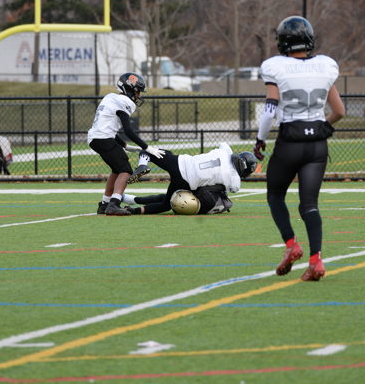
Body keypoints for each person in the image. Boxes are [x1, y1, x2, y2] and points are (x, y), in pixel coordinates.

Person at [253, 15, 345, 281]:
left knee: (275, 195)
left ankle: (292, 244)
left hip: (290, 142)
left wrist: (260, 139)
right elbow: (339, 111)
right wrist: (322, 127)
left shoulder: (276, 66)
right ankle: (316, 261)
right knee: (309, 205)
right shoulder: (324, 66)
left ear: (283, 41)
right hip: (317, 145)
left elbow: (270, 110)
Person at [87, 72, 165, 216]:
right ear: (129, 89)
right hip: (104, 139)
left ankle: (105, 204)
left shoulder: (110, 97)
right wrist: (147, 147)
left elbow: (108, 128)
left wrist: (125, 146)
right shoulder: (124, 102)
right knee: (126, 170)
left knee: (117, 170)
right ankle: (114, 204)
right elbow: (128, 131)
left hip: (96, 138)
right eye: (137, 91)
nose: (138, 95)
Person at [124, 142, 258, 215]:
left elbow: (224, 144)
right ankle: (134, 210)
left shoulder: (225, 151)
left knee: (149, 151)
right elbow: (230, 189)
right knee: (166, 204)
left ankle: (142, 165)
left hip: (181, 162)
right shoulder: (234, 181)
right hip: (187, 181)